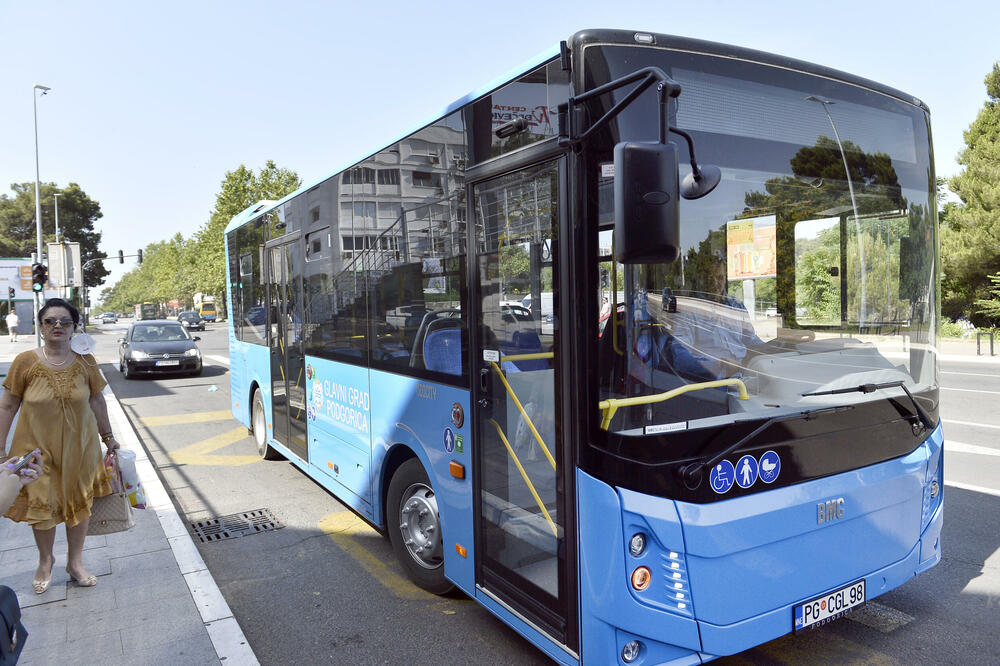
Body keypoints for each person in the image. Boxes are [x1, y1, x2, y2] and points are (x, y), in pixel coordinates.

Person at [0, 298, 121, 594]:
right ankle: (45, 561)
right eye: (50, 321)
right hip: (35, 454)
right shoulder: (25, 362)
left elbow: (96, 400)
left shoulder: (86, 361)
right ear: (40, 327)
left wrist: (108, 438)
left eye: (64, 322)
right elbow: (7, 406)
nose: (57, 326)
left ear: (73, 328)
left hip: (81, 449)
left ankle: (75, 563)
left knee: (79, 503)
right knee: (42, 508)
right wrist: (1, 451)